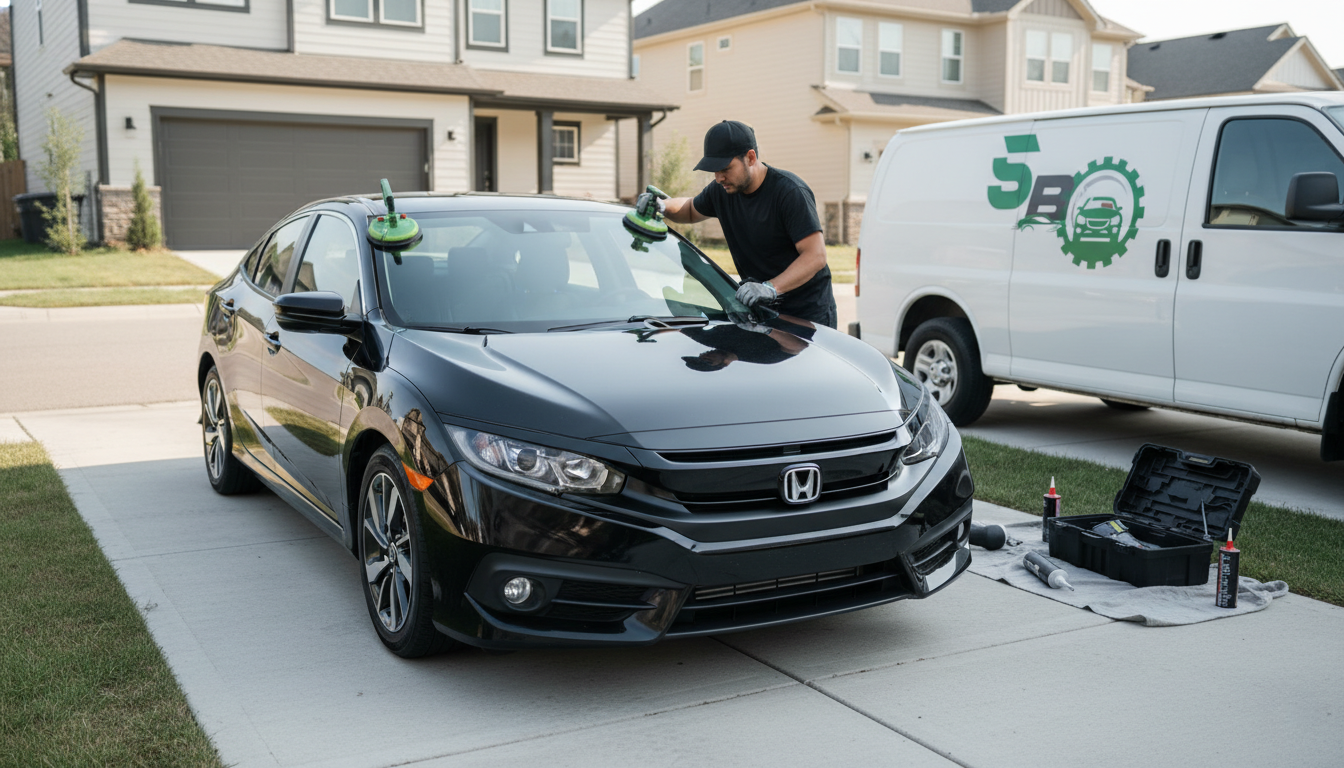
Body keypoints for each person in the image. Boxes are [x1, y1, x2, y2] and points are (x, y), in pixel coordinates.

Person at [649, 120, 837, 328]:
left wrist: (770, 288)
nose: (719, 177)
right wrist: (661, 206)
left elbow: (815, 256)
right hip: (760, 311)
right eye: (714, 170)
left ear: (750, 157)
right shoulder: (722, 190)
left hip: (808, 315)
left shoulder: (790, 192)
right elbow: (690, 209)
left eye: (725, 168)